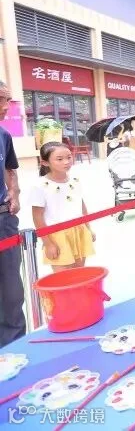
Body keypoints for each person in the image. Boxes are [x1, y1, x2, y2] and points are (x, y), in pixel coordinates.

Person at [30, 142, 96, 272]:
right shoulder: (40, 186)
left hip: (79, 231)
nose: (66, 162)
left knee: (79, 274)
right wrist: (48, 243)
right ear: (45, 162)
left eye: (69, 157)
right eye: (59, 159)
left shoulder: (75, 180)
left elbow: (81, 206)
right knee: (63, 276)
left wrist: (88, 229)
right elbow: (37, 217)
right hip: (57, 236)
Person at [0, 81, 24, 348]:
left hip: (3, 221)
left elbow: (10, 168)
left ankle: (14, 349)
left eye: (7, 99)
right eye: (1, 99)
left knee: (11, 292)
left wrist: (14, 192)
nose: (6, 106)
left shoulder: (3, 135)